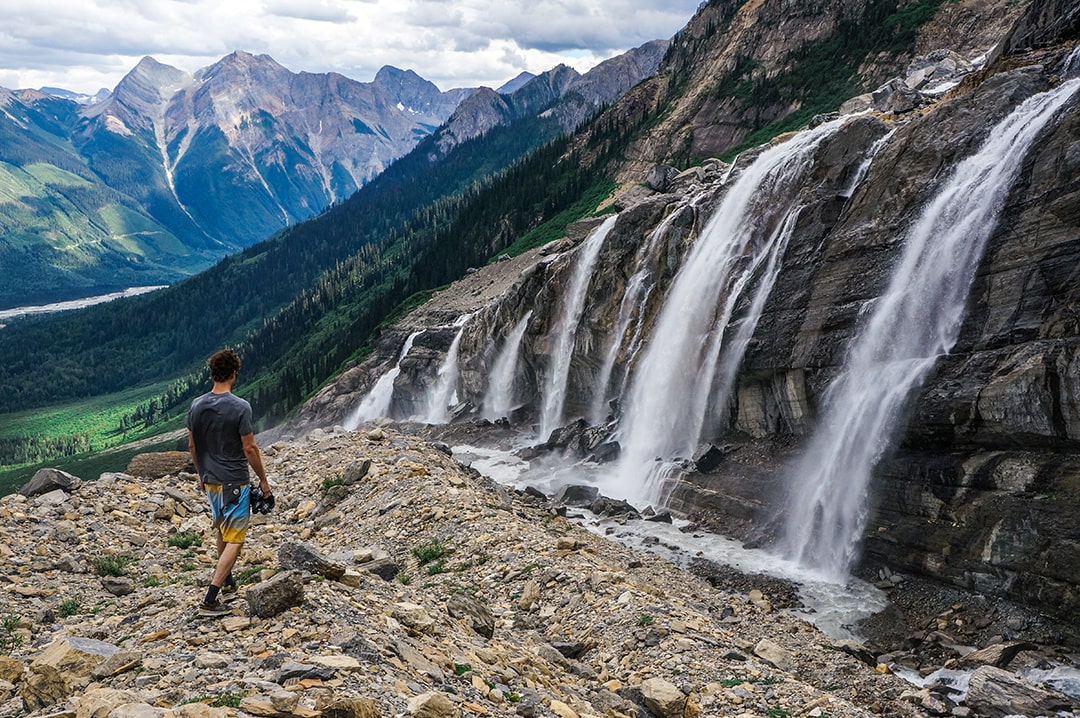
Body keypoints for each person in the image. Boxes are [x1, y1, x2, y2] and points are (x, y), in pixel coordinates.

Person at [187, 348, 271, 617]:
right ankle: (210, 598)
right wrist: (263, 481)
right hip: (234, 480)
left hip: (210, 479)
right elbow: (250, 448)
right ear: (235, 373)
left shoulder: (196, 405)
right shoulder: (240, 407)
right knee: (236, 538)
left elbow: (192, 444)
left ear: (212, 373)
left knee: (222, 530)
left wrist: (201, 475)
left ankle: (228, 581)